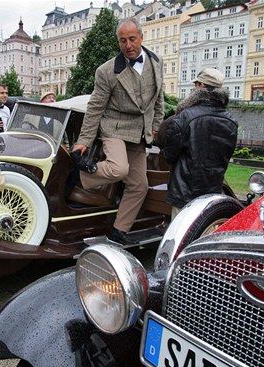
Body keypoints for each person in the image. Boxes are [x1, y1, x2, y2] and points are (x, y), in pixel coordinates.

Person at [71, 17, 164, 245]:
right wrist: (84, 141)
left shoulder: (157, 62)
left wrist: (156, 126)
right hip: (113, 126)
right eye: (123, 41)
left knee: (139, 186)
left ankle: (118, 231)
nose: (128, 45)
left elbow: (158, 99)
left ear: (142, 37)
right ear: (118, 42)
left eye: (132, 39)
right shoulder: (106, 71)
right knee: (119, 169)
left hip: (140, 133)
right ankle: (80, 175)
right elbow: (95, 107)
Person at [156, 68, 238, 219]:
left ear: (201, 86)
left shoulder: (185, 116)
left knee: (181, 235)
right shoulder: (231, 121)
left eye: (196, 85)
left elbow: (169, 156)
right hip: (213, 191)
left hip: (184, 192)